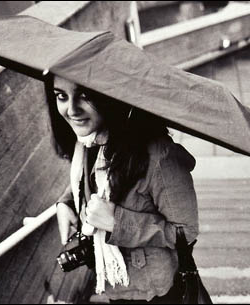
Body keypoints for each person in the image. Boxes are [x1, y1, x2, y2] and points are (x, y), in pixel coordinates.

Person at [47, 75, 199, 304]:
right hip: (114, 281)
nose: (71, 110)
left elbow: (186, 231)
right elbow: (95, 182)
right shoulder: (89, 141)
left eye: (84, 95)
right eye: (62, 96)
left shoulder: (159, 158)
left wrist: (118, 223)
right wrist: (67, 202)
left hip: (154, 291)